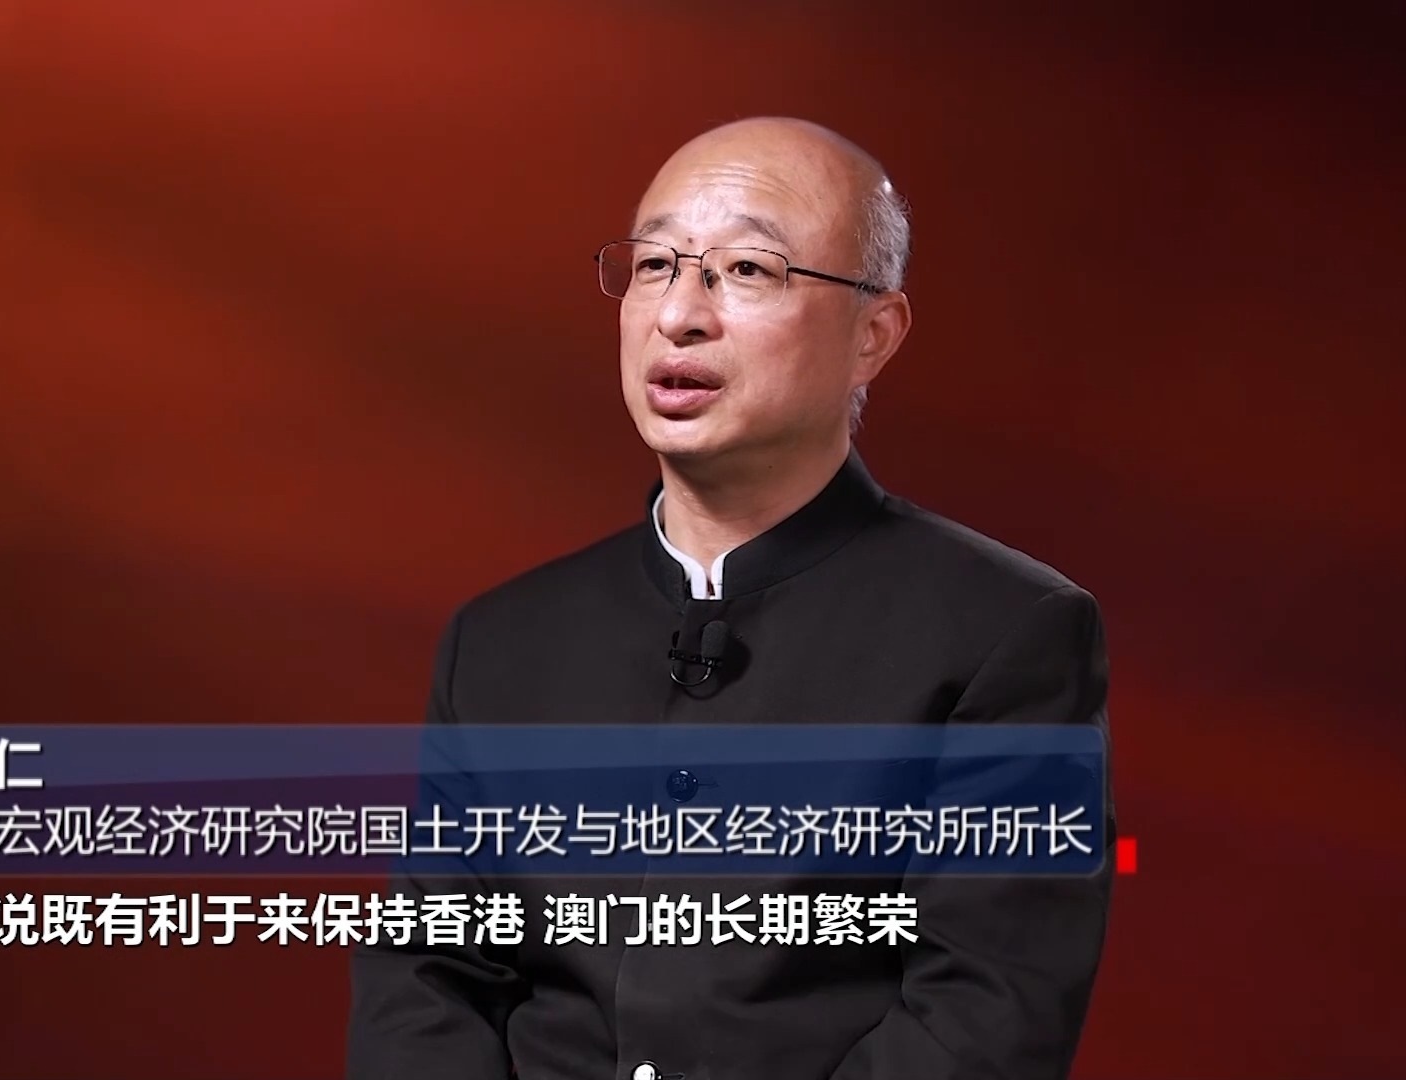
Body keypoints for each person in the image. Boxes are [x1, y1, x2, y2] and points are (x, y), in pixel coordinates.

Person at [346, 117, 1112, 1080]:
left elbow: (982, 1020)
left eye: (746, 269)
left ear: (873, 336)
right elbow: (428, 983)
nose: (679, 314)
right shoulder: (500, 641)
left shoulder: (1005, 634)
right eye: (654, 265)